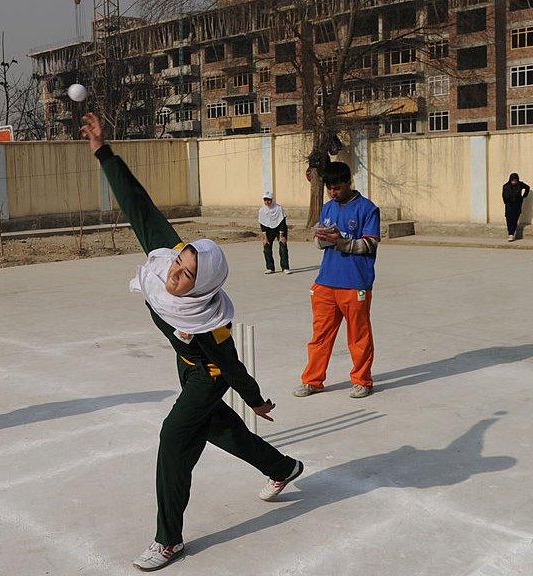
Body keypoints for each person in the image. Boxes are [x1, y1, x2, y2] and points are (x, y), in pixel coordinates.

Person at [81, 113, 303, 572]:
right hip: (186, 366)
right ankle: (282, 468)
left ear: (204, 287)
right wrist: (104, 150)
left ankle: (168, 540)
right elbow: (138, 206)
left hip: (209, 375)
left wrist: (256, 400)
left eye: (186, 277)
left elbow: (230, 361)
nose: (175, 277)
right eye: (178, 267)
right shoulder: (167, 258)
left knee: (174, 438)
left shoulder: (211, 322)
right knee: (218, 430)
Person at [296, 161, 380, 400]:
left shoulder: (368, 209)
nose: (333, 192)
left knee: (358, 336)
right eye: (330, 188)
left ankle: (362, 380)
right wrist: (321, 237)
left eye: (337, 187)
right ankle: (312, 380)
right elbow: (321, 244)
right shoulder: (328, 208)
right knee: (320, 336)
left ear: (348, 182)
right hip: (326, 281)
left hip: (355, 282)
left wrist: (341, 241)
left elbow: (370, 244)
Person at [258, 191, 290, 274]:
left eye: (268, 200)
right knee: (266, 247)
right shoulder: (262, 210)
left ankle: (285, 267)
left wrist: (282, 235)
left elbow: (283, 223)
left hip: (280, 229)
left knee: (283, 247)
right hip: (268, 230)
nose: (267, 202)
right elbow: (262, 224)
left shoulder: (279, 208)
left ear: (272, 200)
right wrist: (264, 237)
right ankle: (270, 268)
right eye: (265, 200)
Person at [502, 173, 530, 242]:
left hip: (517, 205)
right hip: (509, 205)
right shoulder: (506, 186)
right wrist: (506, 202)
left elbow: (527, 187)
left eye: (515, 180)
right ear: (510, 180)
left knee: (514, 219)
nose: (514, 182)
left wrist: (524, 196)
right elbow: (503, 196)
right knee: (509, 219)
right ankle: (510, 234)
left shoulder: (520, 184)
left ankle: (512, 233)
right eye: (513, 180)